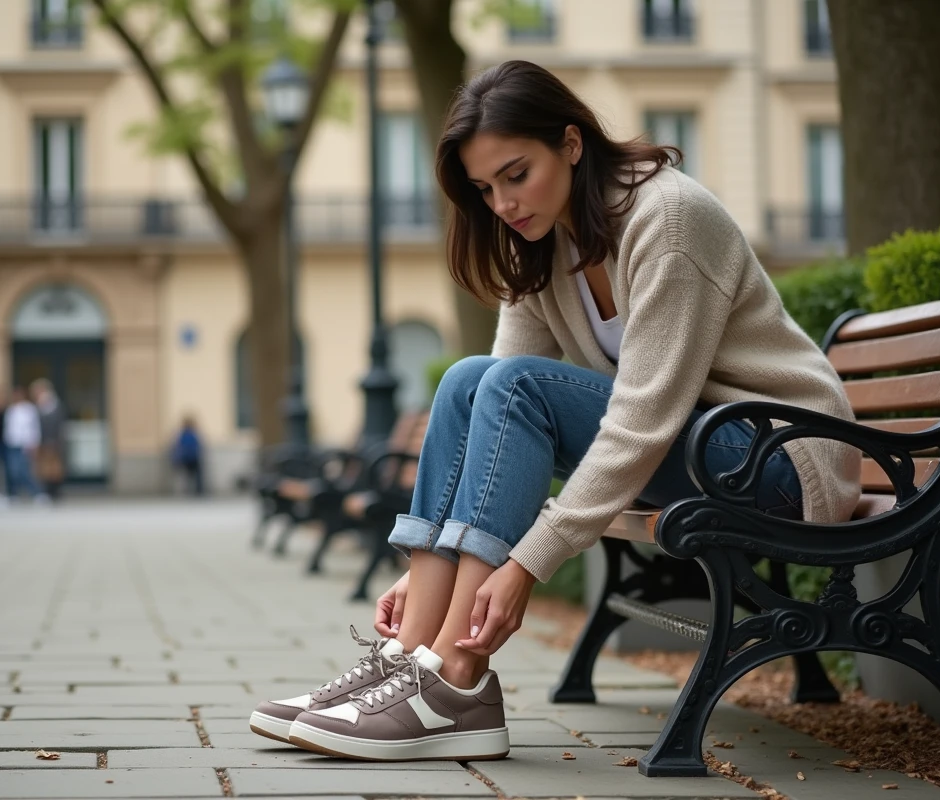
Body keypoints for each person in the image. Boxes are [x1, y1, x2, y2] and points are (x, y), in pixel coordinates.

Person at [247, 61, 860, 761]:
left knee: (514, 387)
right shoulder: (545, 239)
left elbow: (642, 419)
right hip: (699, 450)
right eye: (486, 188)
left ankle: (454, 680)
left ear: (571, 143)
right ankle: (409, 661)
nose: (504, 203)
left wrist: (528, 561)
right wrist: (427, 570)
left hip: (780, 458)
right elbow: (487, 404)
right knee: (469, 379)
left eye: (516, 174)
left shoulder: (669, 219)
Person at [3, 386, 46, 503]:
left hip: (25, 445)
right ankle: (13, 494)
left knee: (24, 471)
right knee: (12, 471)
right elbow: (8, 428)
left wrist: (34, 443)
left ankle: (37, 493)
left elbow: (34, 428)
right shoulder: (11, 410)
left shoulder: (29, 409)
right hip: (12, 444)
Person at [30, 378, 66, 502]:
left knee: (54, 469)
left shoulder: (54, 404)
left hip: (53, 441)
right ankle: (46, 491)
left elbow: (59, 424)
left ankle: (54, 491)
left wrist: (56, 440)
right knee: (44, 469)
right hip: (42, 442)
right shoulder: (37, 407)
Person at [171, 416, 205, 496]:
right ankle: (197, 491)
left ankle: (194, 490)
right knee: (194, 475)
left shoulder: (184, 435)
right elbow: (196, 446)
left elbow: (179, 446)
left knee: (190, 476)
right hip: (191, 458)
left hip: (189, 458)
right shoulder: (189, 435)